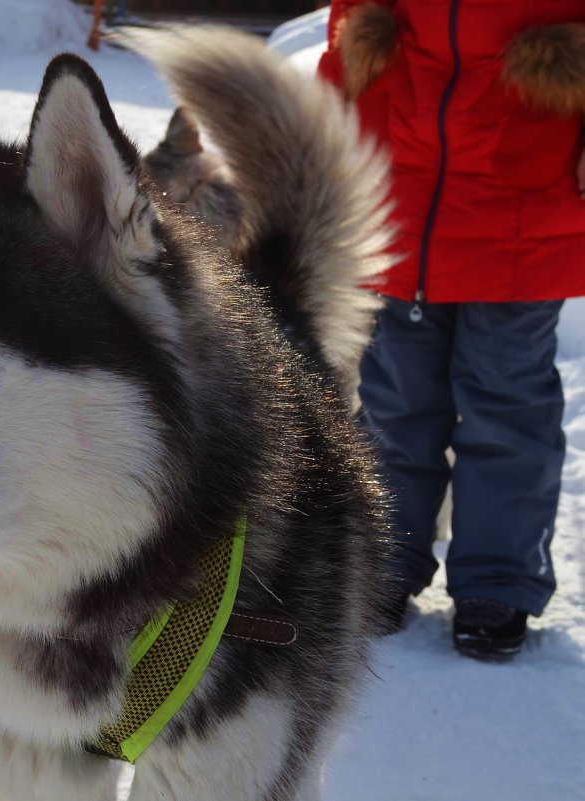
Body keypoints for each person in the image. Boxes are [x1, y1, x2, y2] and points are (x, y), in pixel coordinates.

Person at [318, 2, 585, 660]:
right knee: (396, 398)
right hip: (402, 193)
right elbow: (352, 29)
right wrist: (326, 135)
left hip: (527, 198)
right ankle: (384, 560)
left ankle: (497, 581)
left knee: (506, 401)